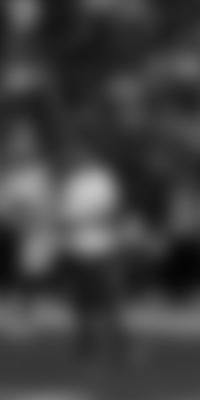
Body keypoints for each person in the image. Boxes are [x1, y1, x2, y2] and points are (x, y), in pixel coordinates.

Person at [57, 143, 131, 363]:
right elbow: (64, 214)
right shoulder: (70, 183)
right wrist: (76, 220)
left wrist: (81, 218)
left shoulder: (102, 180)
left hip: (102, 247)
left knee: (110, 301)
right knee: (82, 303)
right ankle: (86, 346)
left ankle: (118, 347)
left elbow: (109, 210)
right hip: (77, 247)